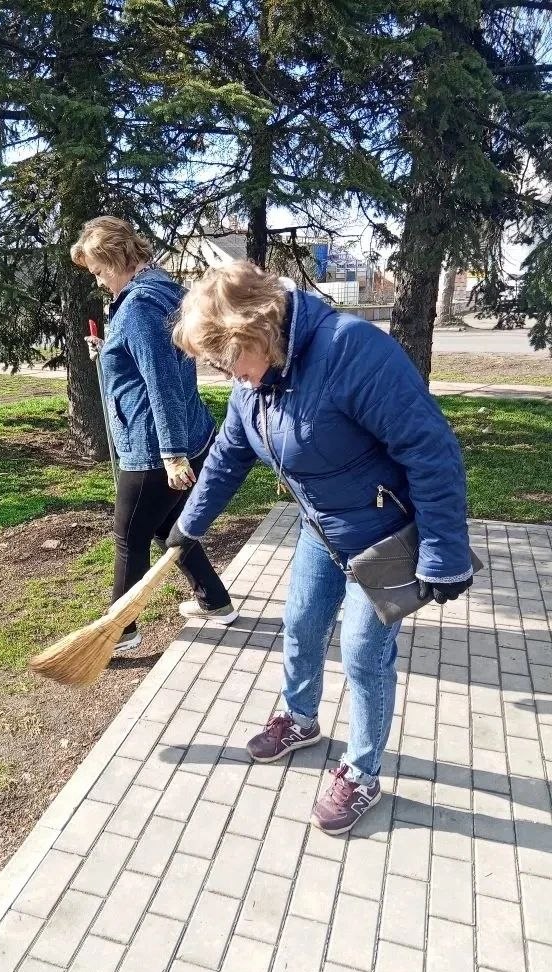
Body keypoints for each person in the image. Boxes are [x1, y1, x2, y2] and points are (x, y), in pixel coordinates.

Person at [167, 260, 473, 835]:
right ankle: (300, 717)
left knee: (362, 654)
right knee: (302, 625)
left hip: (383, 537)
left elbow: (430, 450)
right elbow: (230, 454)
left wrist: (444, 554)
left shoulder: (350, 350)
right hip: (320, 528)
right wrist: (190, 526)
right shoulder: (254, 383)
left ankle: (362, 772)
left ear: (258, 331)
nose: (230, 377)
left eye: (229, 361)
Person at [70, 217, 237, 653]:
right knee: (167, 525)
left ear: (116, 259)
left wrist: (172, 454)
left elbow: (162, 381)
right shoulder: (161, 289)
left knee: (130, 538)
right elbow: (149, 359)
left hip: (153, 447)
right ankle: (214, 600)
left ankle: (120, 632)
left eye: (100, 272)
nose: (99, 281)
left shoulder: (140, 307)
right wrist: (109, 351)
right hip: (186, 432)